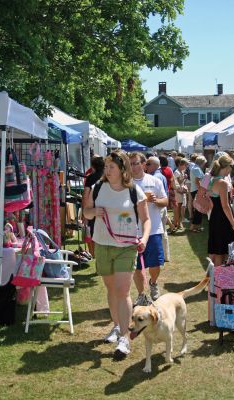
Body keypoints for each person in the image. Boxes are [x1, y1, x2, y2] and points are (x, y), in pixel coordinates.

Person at [83, 150, 151, 359]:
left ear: (123, 169)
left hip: (126, 247)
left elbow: (146, 220)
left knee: (122, 291)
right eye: (107, 166)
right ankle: (116, 326)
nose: (107, 170)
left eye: (112, 167)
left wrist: (144, 239)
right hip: (103, 245)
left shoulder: (134, 191)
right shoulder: (98, 188)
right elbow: (85, 212)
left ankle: (124, 336)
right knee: (111, 289)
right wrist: (94, 213)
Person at [129, 152, 168, 304]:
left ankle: (153, 282)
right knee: (136, 266)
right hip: (132, 231)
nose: (133, 166)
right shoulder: (126, 183)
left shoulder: (155, 181)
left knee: (156, 264)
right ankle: (141, 295)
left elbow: (165, 201)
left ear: (144, 164)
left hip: (154, 229)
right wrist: (141, 199)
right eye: (131, 164)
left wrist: (155, 200)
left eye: (136, 163)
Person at [208, 154, 234, 266]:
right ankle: (217, 280)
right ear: (227, 167)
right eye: (232, 167)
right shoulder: (223, 183)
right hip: (223, 219)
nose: (231, 170)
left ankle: (213, 279)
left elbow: (207, 195)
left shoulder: (211, 180)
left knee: (216, 250)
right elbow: (225, 206)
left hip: (214, 216)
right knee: (222, 251)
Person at [145, 156, 170, 262]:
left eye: (148, 164)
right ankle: (165, 256)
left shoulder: (155, 177)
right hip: (162, 206)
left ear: (155, 165)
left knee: (158, 232)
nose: (146, 166)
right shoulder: (161, 176)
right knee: (163, 232)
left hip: (158, 207)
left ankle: (161, 255)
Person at [82, 155, 105, 257]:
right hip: (105, 208)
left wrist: (84, 211)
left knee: (93, 232)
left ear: (92, 166)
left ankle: (95, 254)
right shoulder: (108, 176)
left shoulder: (91, 177)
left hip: (93, 209)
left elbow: (86, 195)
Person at [190, 155, 207, 232]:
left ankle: (196, 227)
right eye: (204, 163)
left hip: (195, 190)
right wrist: (201, 191)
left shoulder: (195, 168)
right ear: (202, 162)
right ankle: (193, 227)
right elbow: (198, 181)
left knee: (198, 210)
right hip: (197, 190)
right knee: (198, 210)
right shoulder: (197, 168)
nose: (204, 164)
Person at [174, 158, 189, 229]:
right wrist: (184, 178)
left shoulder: (181, 171)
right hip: (178, 192)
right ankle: (178, 223)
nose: (186, 167)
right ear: (181, 165)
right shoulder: (176, 172)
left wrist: (184, 179)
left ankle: (177, 223)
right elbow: (177, 183)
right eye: (185, 165)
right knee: (178, 209)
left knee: (180, 208)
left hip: (181, 191)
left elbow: (182, 182)